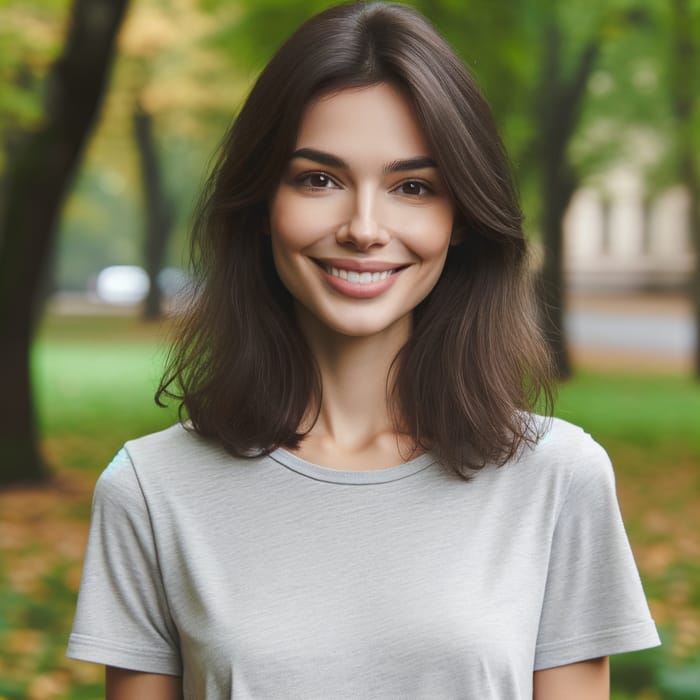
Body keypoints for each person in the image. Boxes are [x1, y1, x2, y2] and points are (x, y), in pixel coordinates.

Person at [67, 2, 660, 698]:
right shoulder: (149, 489)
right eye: (319, 179)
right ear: (262, 203)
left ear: (461, 218)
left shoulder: (560, 481)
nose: (364, 228)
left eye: (414, 187)